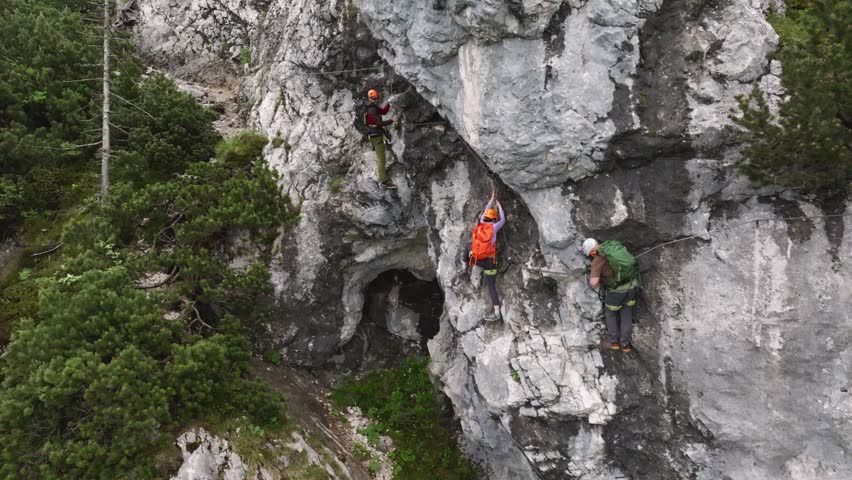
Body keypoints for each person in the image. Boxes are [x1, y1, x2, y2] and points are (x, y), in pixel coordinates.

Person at [582, 238, 640, 352]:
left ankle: (614, 342)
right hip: (632, 288)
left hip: (617, 293)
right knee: (626, 315)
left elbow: (593, 283)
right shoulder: (613, 248)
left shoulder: (597, 260)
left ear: (592, 252)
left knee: (611, 314)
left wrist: (594, 277)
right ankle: (625, 344)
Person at [469, 193, 506, 321]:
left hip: (478, 259)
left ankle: (464, 264)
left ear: (485, 216)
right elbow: (503, 220)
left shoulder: (480, 223)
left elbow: (486, 210)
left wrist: (492, 198)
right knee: (491, 286)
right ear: (494, 219)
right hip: (490, 261)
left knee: (468, 248)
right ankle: (497, 313)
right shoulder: (494, 227)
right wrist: (500, 207)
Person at [364, 89, 397, 189]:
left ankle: (383, 178)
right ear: (369, 98)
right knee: (381, 160)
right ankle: (383, 181)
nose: (376, 100)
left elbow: (383, 112)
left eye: (377, 98)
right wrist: (392, 120)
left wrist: (389, 103)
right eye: (374, 98)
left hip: (374, 135)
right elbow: (379, 123)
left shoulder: (371, 107)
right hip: (376, 137)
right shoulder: (372, 110)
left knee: (381, 157)